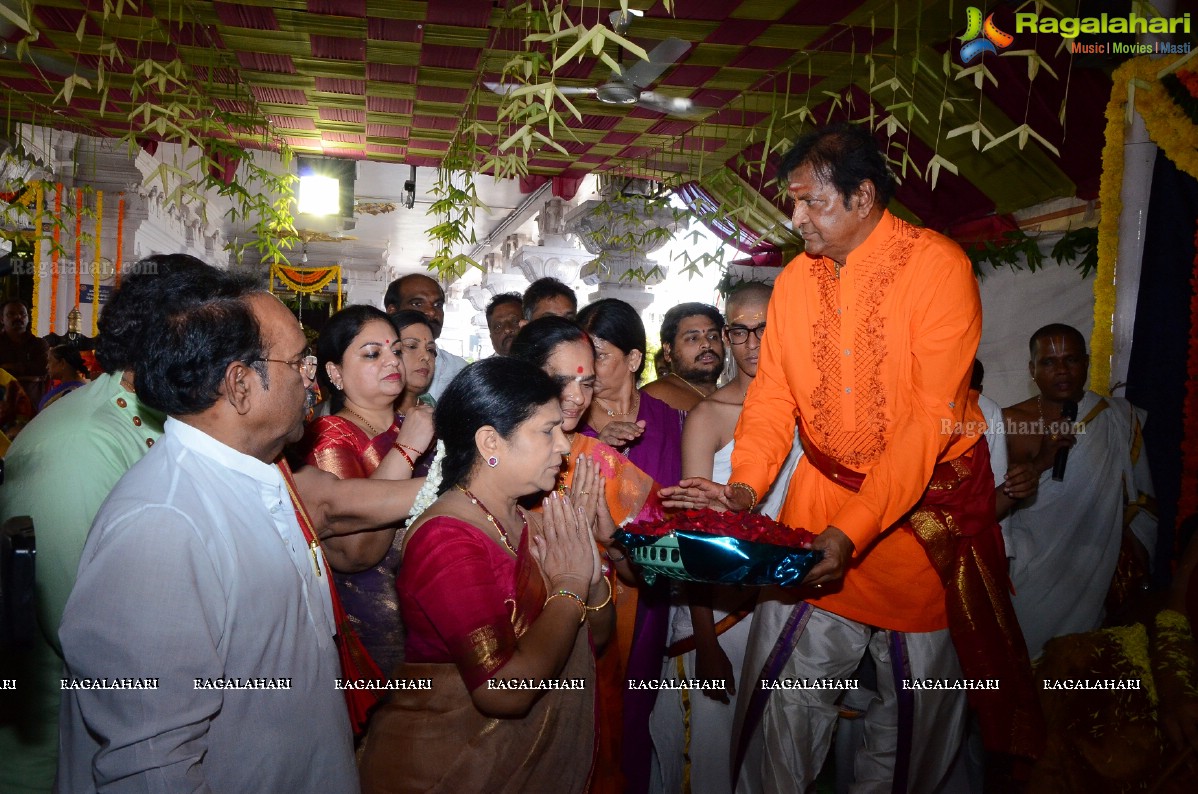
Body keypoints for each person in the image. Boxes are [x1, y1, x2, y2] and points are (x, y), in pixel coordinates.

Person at [665, 123, 1039, 791]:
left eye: (810, 201)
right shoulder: (797, 282)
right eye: (791, 201)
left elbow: (930, 423)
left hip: (920, 522)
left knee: (910, 726)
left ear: (863, 196)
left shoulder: (938, 267)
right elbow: (774, 399)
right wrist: (745, 491)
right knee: (781, 705)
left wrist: (854, 532)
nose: (794, 216)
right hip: (816, 513)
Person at [57, 286, 434, 790]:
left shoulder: (263, 475)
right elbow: (151, 764)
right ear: (240, 384)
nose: (311, 381)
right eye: (299, 363)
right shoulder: (162, 523)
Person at [0, 256, 248, 794]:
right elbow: (103, 642)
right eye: (224, 338)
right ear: (170, 336)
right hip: (68, 757)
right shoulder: (79, 445)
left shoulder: (165, 418)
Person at [357, 358, 609, 793]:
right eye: (547, 430)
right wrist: (568, 583)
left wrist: (586, 562)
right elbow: (502, 690)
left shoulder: (528, 520)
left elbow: (594, 638)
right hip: (445, 770)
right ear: (490, 441)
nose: (565, 446)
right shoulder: (447, 540)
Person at [649, 282, 802, 794]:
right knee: (710, 754)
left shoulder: (813, 412)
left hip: (791, 602)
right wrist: (706, 642)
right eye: (739, 330)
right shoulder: (709, 416)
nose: (753, 344)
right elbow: (692, 534)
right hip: (716, 610)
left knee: (777, 747)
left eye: (765, 329)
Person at [511, 316, 668, 794]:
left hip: (590, 654)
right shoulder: (489, 454)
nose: (578, 398)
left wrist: (611, 542)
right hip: (503, 657)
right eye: (563, 382)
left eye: (587, 382)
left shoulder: (603, 465)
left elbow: (649, 573)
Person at [578, 297, 684, 793]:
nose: (589, 368)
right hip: (586, 585)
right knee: (590, 708)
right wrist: (597, 441)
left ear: (635, 358)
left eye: (600, 354)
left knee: (640, 708)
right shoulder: (570, 426)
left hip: (654, 584)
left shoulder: (669, 419)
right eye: (584, 354)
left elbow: (683, 504)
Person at [1002, 324, 1157, 659]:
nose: (1061, 370)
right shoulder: (1010, 422)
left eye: (1071, 359)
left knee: (1076, 670)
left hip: (1090, 570)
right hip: (1026, 570)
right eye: (1048, 362)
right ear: (1032, 369)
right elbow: (990, 504)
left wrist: (1136, 564)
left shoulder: (1116, 417)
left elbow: (1139, 500)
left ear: (1086, 363)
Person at [302, 305, 435, 675]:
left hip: (431, 613)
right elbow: (356, 552)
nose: (391, 361)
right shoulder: (329, 434)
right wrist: (406, 451)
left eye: (395, 351)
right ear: (335, 372)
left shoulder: (419, 425)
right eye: (372, 353)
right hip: (370, 623)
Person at [384, 272, 466, 399]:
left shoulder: (460, 371)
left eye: (437, 305)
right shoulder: (375, 368)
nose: (432, 312)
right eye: (417, 304)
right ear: (392, 311)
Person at [641, 302, 725, 412]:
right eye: (693, 338)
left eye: (713, 336)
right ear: (668, 351)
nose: (706, 344)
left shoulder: (734, 395)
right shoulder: (653, 397)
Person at [0, 298, 49, 404]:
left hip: (33, 403)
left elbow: (43, 368)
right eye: (11, 314)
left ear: (28, 318)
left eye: (22, 314)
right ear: (2, 319)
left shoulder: (39, 344)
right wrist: (29, 375)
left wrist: (9, 368)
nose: (18, 317)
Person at [390, 309, 438, 413]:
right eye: (411, 346)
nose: (426, 356)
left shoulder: (435, 411)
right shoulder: (368, 418)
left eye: (430, 350)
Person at [37, 344, 91, 411]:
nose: (47, 367)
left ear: (62, 363)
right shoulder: (81, 387)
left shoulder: (71, 392)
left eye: (49, 361)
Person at [486, 291, 523, 356]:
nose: (507, 329)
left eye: (515, 321)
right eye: (498, 326)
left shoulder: (544, 364)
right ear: (491, 338)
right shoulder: (483, 366)